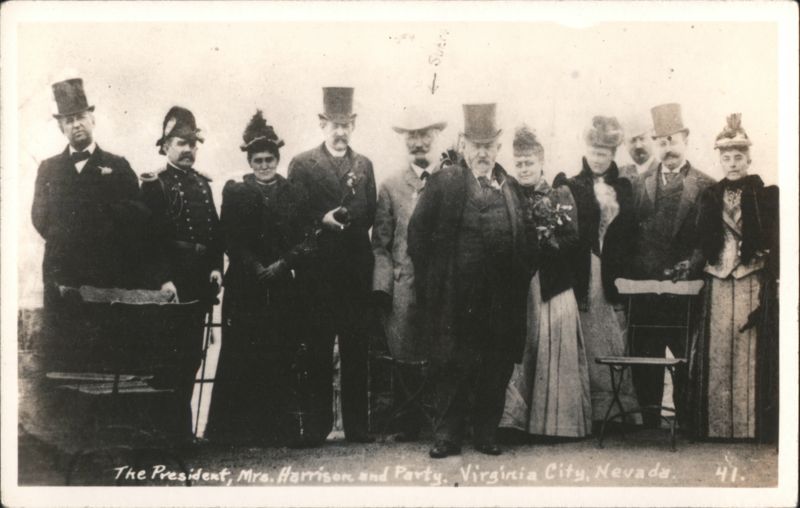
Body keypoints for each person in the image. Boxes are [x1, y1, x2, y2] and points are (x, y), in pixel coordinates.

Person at [408, 103, 534, 457]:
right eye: (475, 145)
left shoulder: (510, 188)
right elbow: (418, 236)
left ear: (498, 146)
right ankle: (447, 436)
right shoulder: (445, 182)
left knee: (495, 364)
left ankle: (485, 434)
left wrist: (519, 275)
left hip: (499, 299)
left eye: (488, 145)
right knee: (450, 364)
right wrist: (434, 283)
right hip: (454, 296)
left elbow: (526, 238)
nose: (482, 152)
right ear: (463, 144)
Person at [31, 78, 161, 368]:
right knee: (64, 361)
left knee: (103, 360)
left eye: (80, 117)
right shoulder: (49, 169)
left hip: (106, 278)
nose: (76, 124)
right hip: (62, 275)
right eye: (69, 120)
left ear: (92, 119)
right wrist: (71, 235)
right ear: (60, 127)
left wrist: (102, 225)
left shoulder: (117, 165)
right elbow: (40, 218)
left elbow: (137, 216)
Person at [205, 111, 315, 445]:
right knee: (242, 352)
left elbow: (307, 237)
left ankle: (277, 431)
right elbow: (229, 238)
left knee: (280, 350)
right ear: (250, 162)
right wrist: (254, 266)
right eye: (257, 161)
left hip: (281, 282)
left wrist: (283, 263)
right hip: (246, 284)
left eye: (269, 160)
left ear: (278, 160)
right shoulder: (236, 191)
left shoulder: (294, 192)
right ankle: (234, 432)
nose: (264, 166)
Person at [287, 87, 377, 444]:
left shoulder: (364, 164)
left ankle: (357, 427)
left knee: (356, 348)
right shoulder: (302, 163)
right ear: (322, 124)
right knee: (318, 347)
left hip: (355, 270)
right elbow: (293, 214)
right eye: (333, 124)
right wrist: (320, 220)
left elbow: (369, 210)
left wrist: (349, 217)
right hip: (318, 273)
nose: (340, 132)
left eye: (346, 124)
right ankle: (316, 426)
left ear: (353, 124)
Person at [689, 114, 779, 441]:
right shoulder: (710, 196)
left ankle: (747, 428)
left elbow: (773, 237)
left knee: (747, 348)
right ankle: (716, 428)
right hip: (716, 277)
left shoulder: (763, 195)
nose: (732, 163)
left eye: (738, 157)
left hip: (749, 276)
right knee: (718, 348)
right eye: (726, 157)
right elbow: (700, 237)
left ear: (748, 159)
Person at [500, 125, 591, 439]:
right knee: (520, 347)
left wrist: (549, 239)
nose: (523, 169)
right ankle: (514, 422)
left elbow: (574, 238)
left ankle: (553, 425)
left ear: (541, 162)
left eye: (529, 163)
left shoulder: (559, 193)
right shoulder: (508, 194)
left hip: (552, 284)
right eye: (519, 163)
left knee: (550, 348)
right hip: (519, 283)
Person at [140, 106, 224, 440]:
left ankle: (182, 432)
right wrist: (163, 279)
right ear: (164, 147)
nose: (188, 149)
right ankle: (167, 433)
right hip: (171, 285)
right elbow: (147, 242)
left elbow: (216, 235)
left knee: (191, 357)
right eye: (180, 142)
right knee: (167, 359)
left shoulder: (203, 186)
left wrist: (217, 267)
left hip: (199, 285)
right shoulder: (154, 185)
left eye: (192, 143)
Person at [629, 103, 715, 427]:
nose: (667, 148)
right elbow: (632, 236)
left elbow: (709, 239)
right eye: (661, 142)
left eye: (672, 140)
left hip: (685, 291)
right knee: (646, 356)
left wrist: (690, 266)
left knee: (684, 357)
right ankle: (649, 423)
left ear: (686, 138)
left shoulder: (706, 186)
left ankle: (688, 423)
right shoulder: (641, 185)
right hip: (648, 291)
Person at [556, 115, 641, 428]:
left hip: (614, 270)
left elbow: (632, 234)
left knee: (614, 336)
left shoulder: (624, 187)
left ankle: (619, 412)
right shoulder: (569, 184)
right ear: (586, 149)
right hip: (584, 271)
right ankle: (587, 412)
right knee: (588, 336)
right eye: (593, 151)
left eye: (604, 153)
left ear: (613, 154)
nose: (597, 158)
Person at [371, 106, 447, 442]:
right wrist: (383, 289)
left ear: (435, 137)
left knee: (441, 352)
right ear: (405, 140)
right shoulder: (390, 185)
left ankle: (442, 422)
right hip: (404, 286)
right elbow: (381, 243)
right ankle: (406, 422)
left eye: (424, 135)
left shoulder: (450, 179)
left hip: (443, 285)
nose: (418, 142)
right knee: (403, 355)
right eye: (412, 136)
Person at [619, 114, 658, 182]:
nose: (638, 146)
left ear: (652, 138)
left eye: (642, 139)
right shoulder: (618, 175)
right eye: (632, 140)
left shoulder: (663, 171)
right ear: (624, 142)